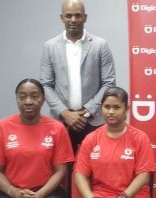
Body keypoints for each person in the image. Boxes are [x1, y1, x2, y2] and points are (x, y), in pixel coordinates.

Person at [40, 0, 116, 152]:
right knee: (62, 170)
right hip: (62, 120)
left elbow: (109, 83)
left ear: (85, 17)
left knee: (94, 169)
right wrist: (65, 112)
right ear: (62, 18)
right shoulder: (50, 46)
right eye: (68, 16)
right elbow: (45, 84)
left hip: (93, 120)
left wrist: (87, 112)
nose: (73, 20)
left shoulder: (100, 45)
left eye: (77, 15)